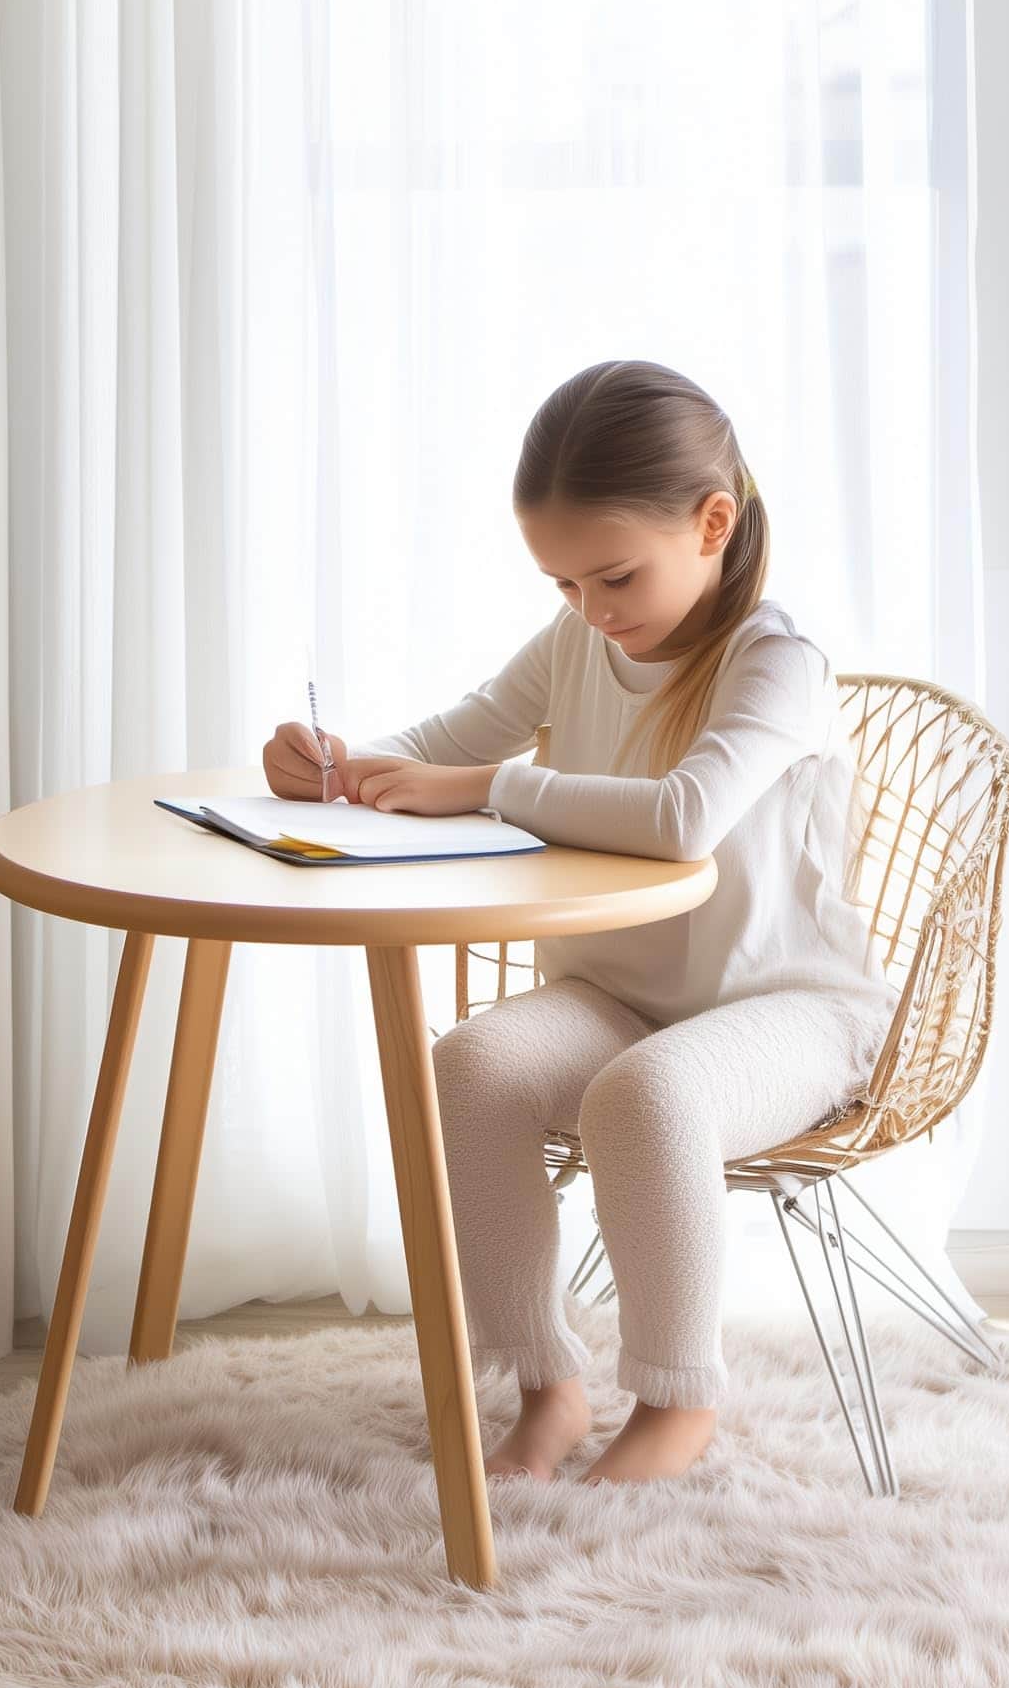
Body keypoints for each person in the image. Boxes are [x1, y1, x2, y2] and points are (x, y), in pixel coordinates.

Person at [260, 359, 898, 1483]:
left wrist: (492, 785)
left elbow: (683, 816)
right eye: (562, 586)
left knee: (650, 1094)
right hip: (618, 993)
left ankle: (673, 1402)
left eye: (611, 576)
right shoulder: (582, 641)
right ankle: (546, 1385)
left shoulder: (773, 659)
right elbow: (450, 741)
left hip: (788, 1006)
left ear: (711, 522)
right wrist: (330, 767)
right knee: (469, 1065)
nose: (593, 614)